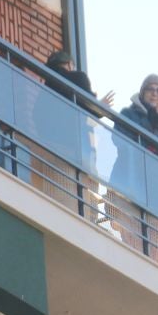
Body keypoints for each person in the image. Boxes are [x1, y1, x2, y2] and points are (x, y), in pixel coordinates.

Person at [107, 74, 158, 264]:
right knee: (132, 243)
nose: (154, 94)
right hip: (128, 186)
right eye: (150, 89)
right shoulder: (129, 114)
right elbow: (118, 139)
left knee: (156, 249)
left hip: (157, 194)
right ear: (142, 92)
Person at [30, 51, 113, 214]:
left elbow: (37, 117)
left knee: (56, 207)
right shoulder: (78, 78)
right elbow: (87, 107)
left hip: (48, 156)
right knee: (82, 208)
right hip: (74, 154)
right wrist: (100, 107)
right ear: (69, 64)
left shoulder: (44, 91)